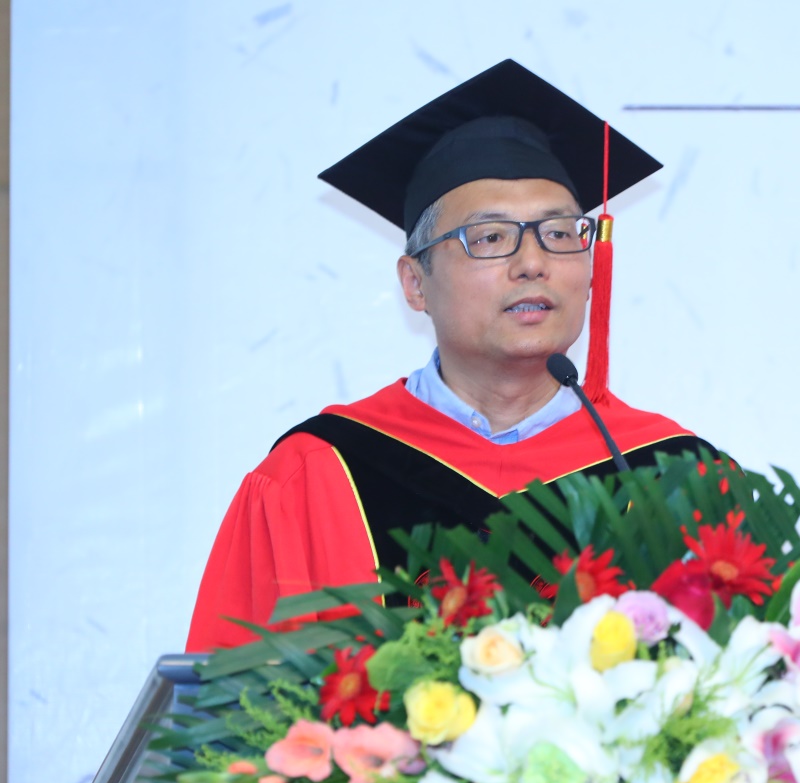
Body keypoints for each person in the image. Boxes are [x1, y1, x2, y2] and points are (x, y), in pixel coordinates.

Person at [185, 61, 712, 651]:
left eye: (560, 234)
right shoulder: (316, 475)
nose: (532, 263)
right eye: (490, 238)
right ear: (415, 284)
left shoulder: (674, 475)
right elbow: (228, 699)